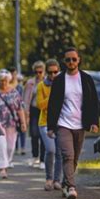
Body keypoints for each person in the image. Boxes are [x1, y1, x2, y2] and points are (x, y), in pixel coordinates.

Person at [47, 47, 99, 199]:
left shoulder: (87, 79)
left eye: (74, 59)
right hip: (63, 124)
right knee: (67, 155)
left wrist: (94, 122)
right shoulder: (59, 80)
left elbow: (94, 102)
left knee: (74, 158)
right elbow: (53, 104)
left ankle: (65, 182)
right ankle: (71, 187)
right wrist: (51, 126)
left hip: (80, 124)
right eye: (68, 59)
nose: (71, 62)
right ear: (64, 62)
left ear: (79, 60)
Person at [0, 69, 27, 178]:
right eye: (1, 80)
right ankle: (2, 169)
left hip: (12, 123)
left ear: (9, 80)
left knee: (10, 147)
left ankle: (7, 161)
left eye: (5, 80)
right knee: (0, 145)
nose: (3, 82)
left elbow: (20, 108)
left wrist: (23, 123)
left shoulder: (14, 92)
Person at [36, 59, 63, 191]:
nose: (53, 75)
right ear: (46, 72)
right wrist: (53, 93)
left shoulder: (64, 83)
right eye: (50, 72)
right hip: (45, 122)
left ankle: (57, 180)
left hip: (61, 122)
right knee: (50, 149)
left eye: (55, 72)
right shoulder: (42, 85)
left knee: (59, 152)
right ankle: (48, 178)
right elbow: (40, 105)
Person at [23, 61, 46, 168]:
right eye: (36, 72)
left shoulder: (47, 82)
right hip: (33, 110)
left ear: (44, 71)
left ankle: (42, 159)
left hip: (44, 110)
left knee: (43, 135)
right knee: (34, 134)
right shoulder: (30, 82)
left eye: (40, 71)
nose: (38, 74)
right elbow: (26, 99)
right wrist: (26, 113)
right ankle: (35, 156)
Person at [8, 66, 27, 157]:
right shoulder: (6, 86)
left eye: (14, 74)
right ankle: (15, 148)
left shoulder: (20, 87)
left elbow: (23, 99)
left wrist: (25, 112)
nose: (12, 75)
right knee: (14, 130)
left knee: (22, 129)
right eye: (11, 74)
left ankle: (22, 147)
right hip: (10, 112)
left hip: (19, 110)